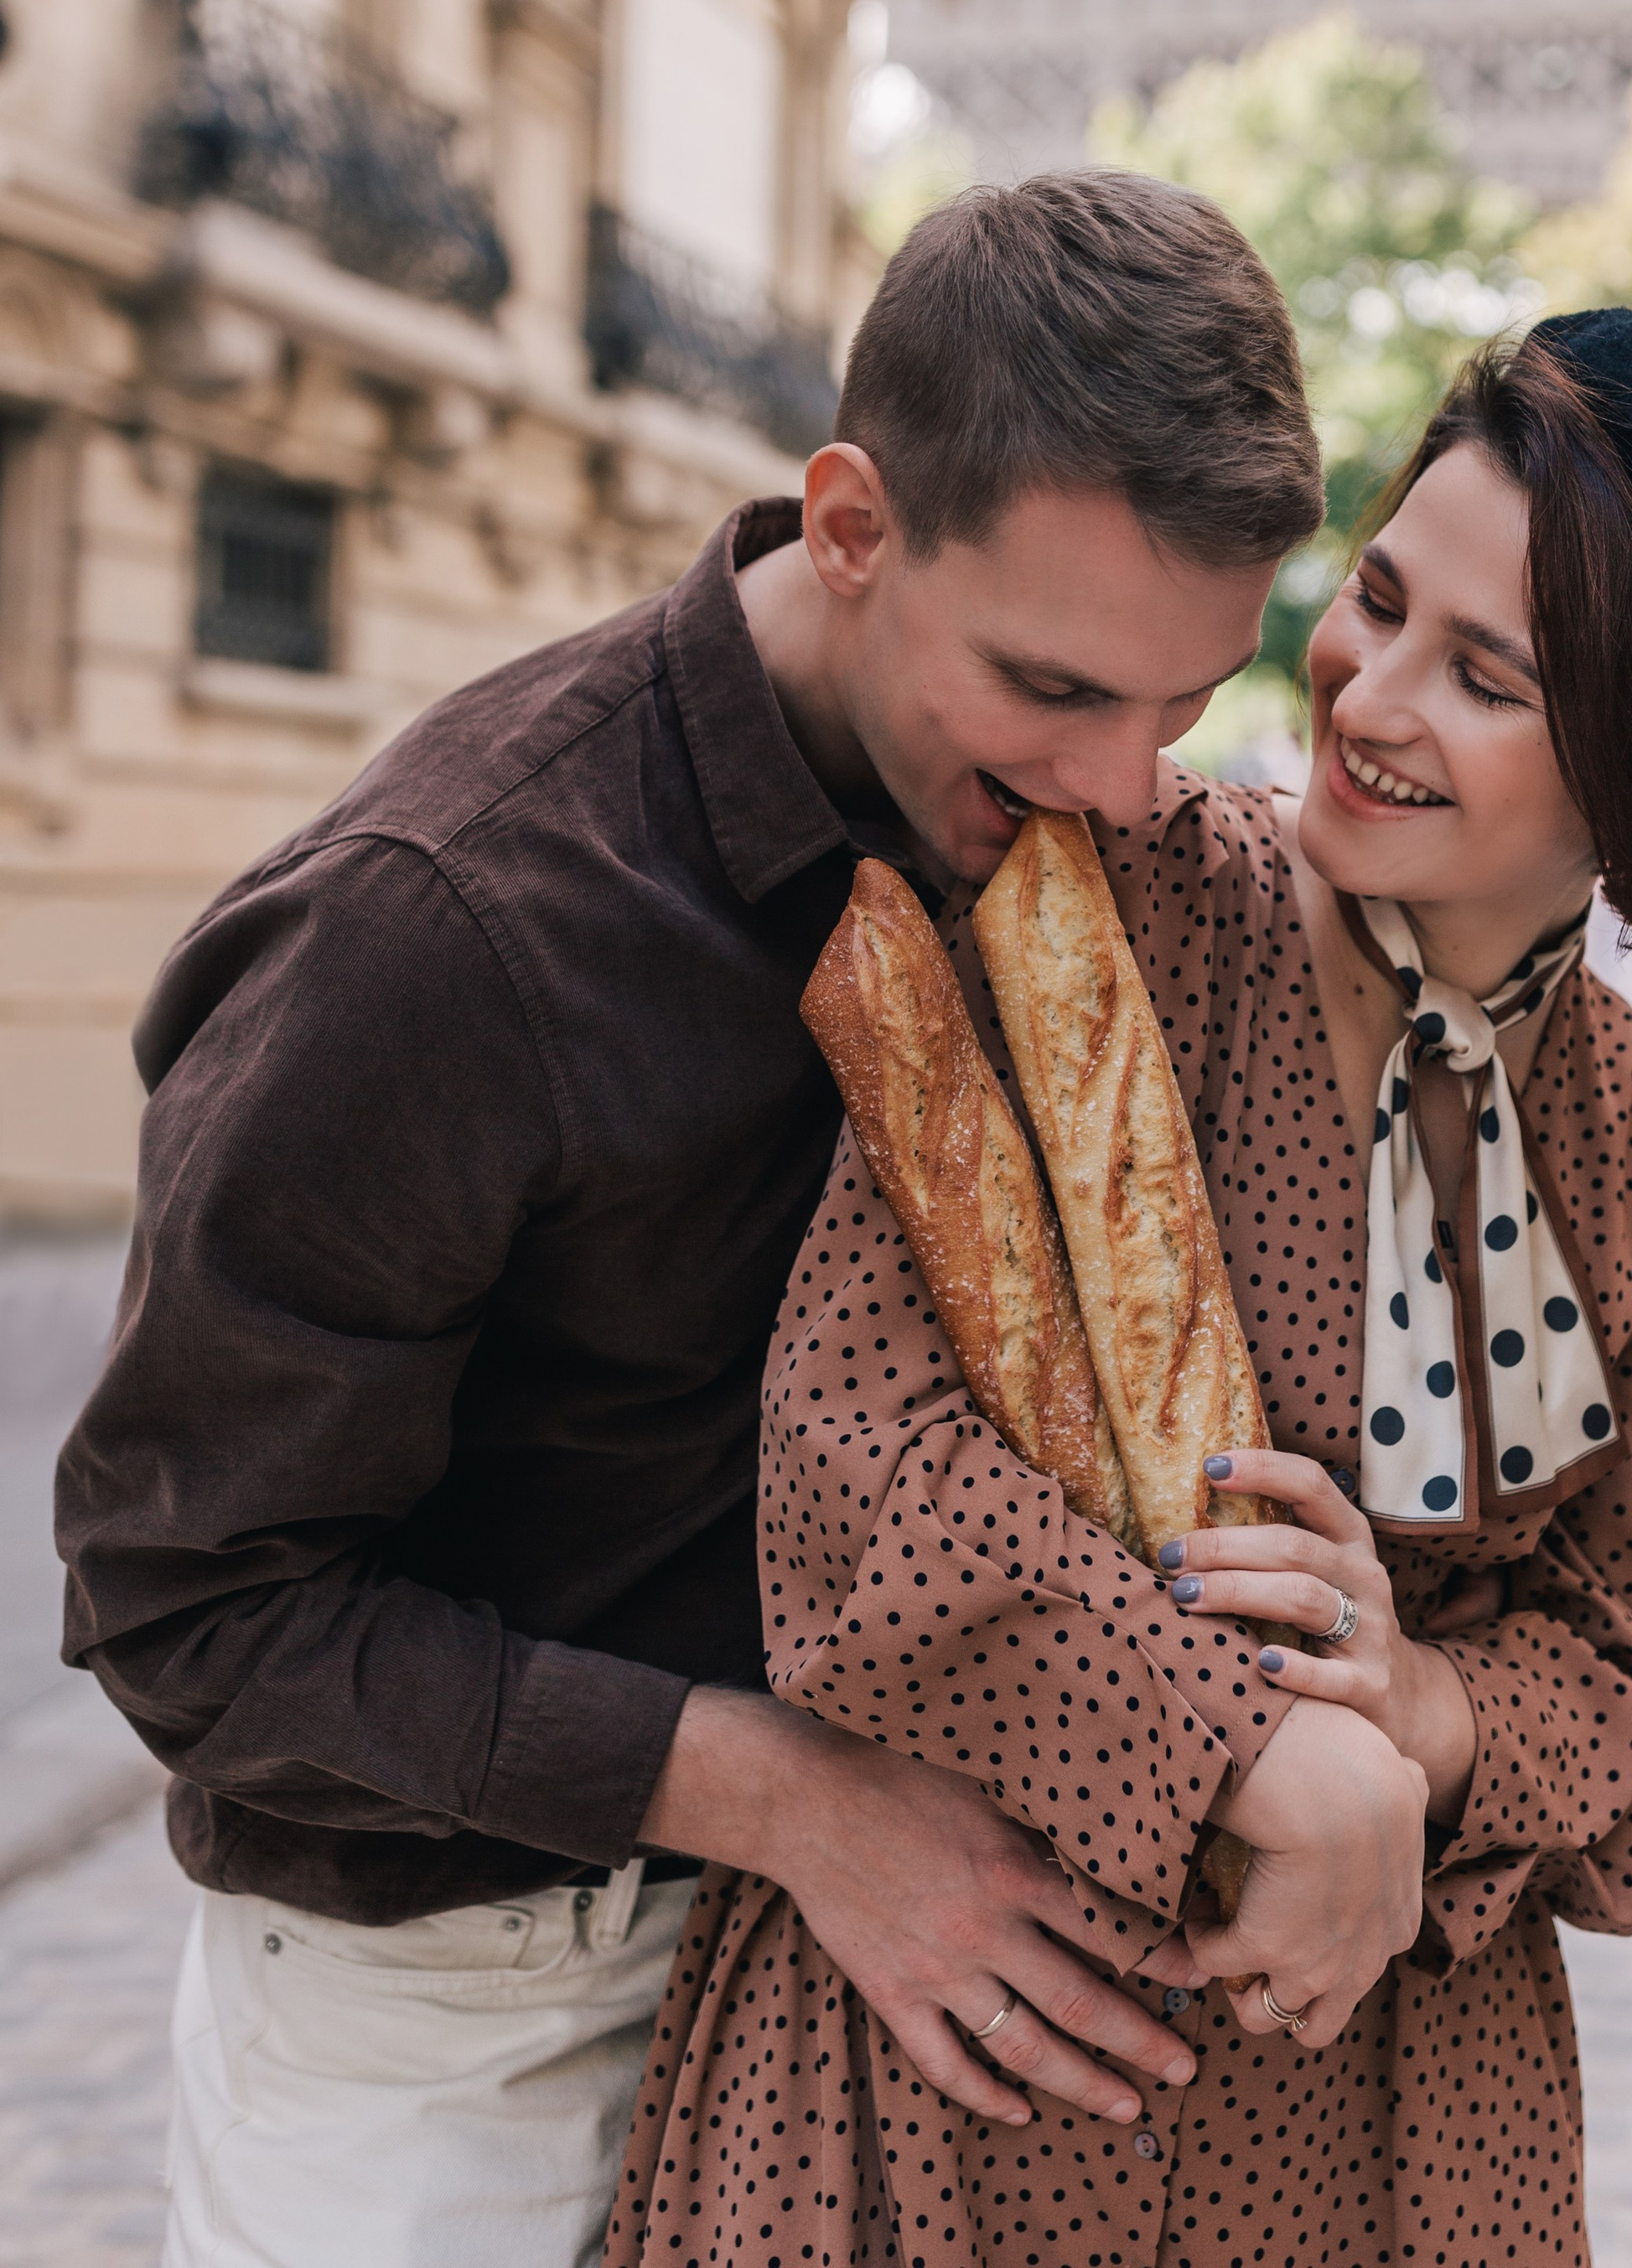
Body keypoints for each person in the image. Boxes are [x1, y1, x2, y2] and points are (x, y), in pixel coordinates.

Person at [54, 172, 1372, 2268]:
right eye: (1052, 686)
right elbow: (180, 1602)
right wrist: (782, 1795)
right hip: (469, 2022)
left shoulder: (1080, 834)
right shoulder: (437, 929)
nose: (1128, 789)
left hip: (895, 1990)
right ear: (847, 525)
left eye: (1181, 703)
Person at [610, 308, 1632, 2268]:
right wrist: (1254, 1742)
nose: (1362, 688)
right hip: (965, 2053)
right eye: (1374, 597)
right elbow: (853, 1452)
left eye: (1486, 674)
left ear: (1628, 782)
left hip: (1391, 2128)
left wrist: (1424, 1717)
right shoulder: (1098, 899)